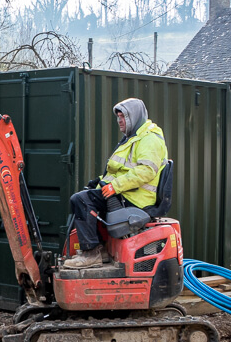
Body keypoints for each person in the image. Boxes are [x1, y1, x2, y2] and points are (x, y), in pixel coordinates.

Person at [64, 98, 168, 269]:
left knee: (81, 200)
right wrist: (100, 182)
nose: (120, 120)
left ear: (134, 117)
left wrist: (115, 186)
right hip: (127, 192)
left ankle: (91, 253)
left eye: (123, 117)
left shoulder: (149, 139)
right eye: (118, 117)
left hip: (136, 197)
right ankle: (101, 250)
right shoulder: (133, 138)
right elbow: (119, 171)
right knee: (87, 197)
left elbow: (146, 171)